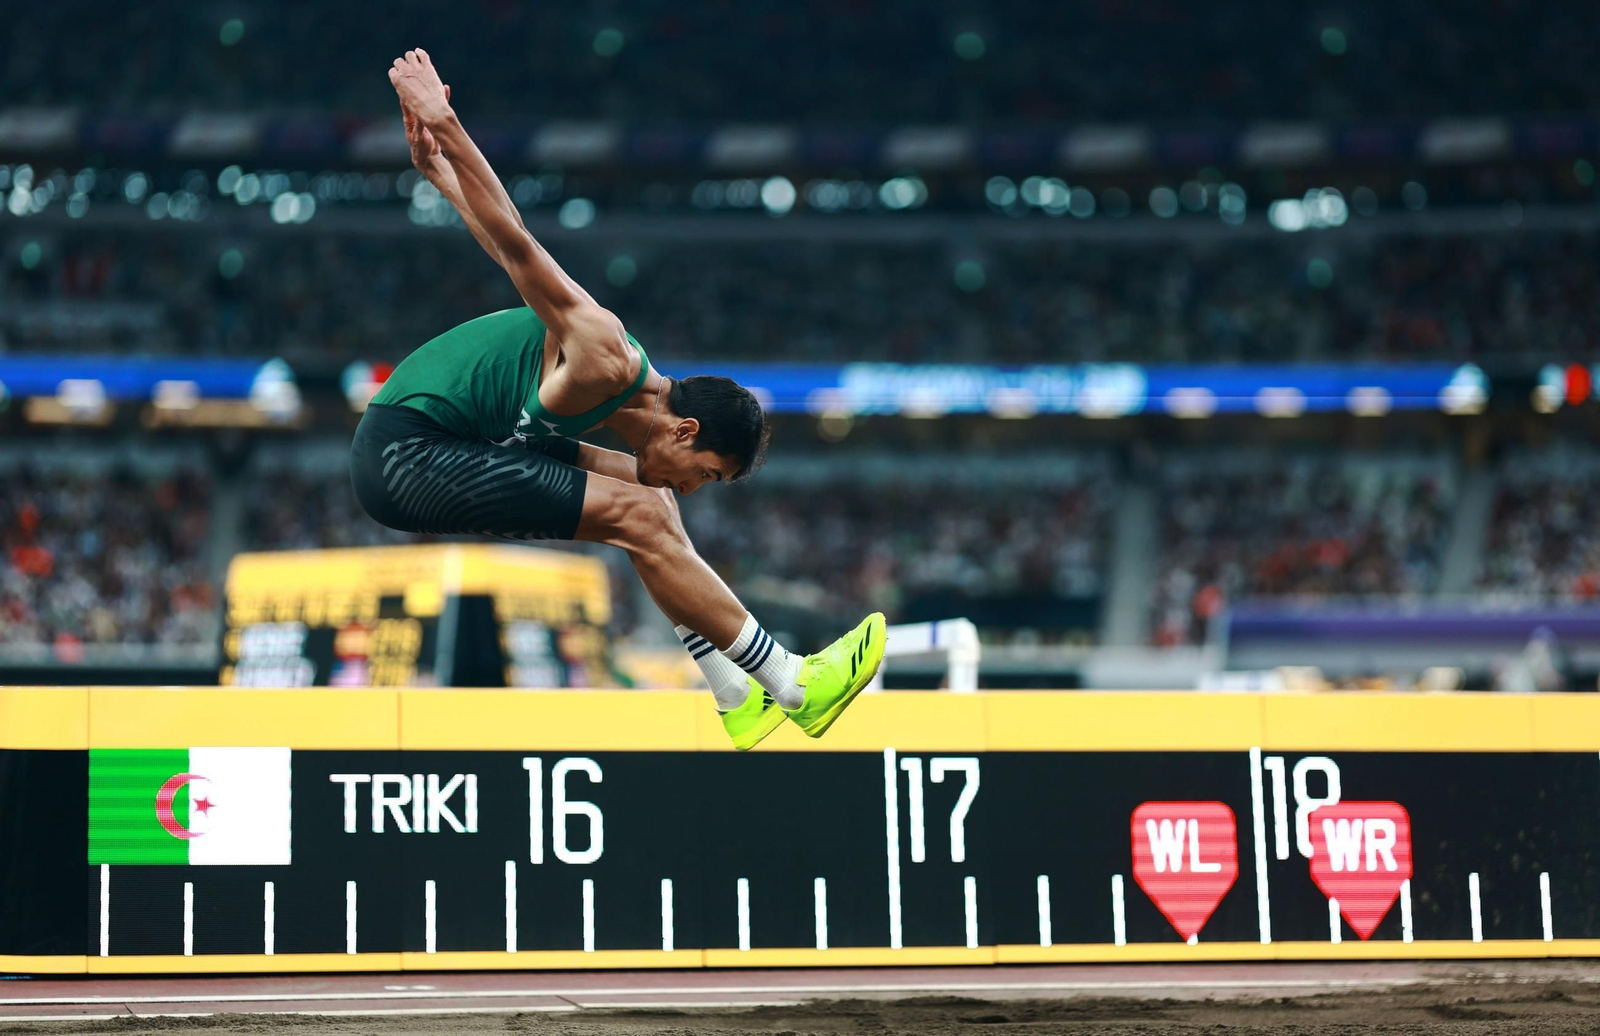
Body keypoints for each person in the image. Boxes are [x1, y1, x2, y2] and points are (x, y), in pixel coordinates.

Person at [353, 49, 884, 749]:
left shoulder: (627, 403)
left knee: (651, 503)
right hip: (406, 451)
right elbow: (517, 245)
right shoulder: (607, 355)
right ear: (684, 430)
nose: (695, 489)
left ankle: (733, 695)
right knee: (642, 508)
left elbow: (502, 247)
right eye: (705, 474)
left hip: (466, 441)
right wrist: (444, 124)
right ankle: (790, 683)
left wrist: (439, 176)